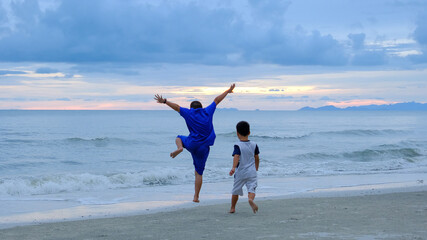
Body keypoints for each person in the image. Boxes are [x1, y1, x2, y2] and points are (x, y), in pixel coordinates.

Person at [154, 84, 235, 202]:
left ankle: (180, 147)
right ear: (201, 107)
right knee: (198, 173)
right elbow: (217, 100)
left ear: (191, 108)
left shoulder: (189, 113)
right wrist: (228, 91)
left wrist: (165, 101)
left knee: (179, 137)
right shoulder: (207, 111)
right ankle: (196, 196)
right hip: (203, 147)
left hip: (191, 143)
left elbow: (177, 107)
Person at [229, 121, 260, 214]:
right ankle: (250, 199)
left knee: (235, 190)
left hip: (240, 172)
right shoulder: (254, 144)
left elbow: (236, 156)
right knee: (252, 188)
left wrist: (233, 167)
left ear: (237, 133)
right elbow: (257, 157)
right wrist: (256, 167)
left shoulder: (238, 145)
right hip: (252, 172)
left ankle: (232, 208)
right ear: (249, 132)